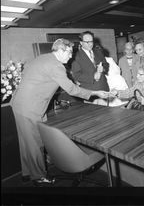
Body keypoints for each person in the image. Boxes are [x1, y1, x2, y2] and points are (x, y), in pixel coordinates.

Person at [11, 38, 111, 186]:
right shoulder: (56, 65)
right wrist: (96, 93)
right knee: (35, 143)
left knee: (26, 143)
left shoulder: (42, 58)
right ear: (61, 50)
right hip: (30, 107)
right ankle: (39, 177)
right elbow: (70, 89)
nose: (71, 56)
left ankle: (28, 173)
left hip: (19, 103)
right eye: (70, 52)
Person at [71, 31, 109, 104]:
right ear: (81, 43)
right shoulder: (75, 56)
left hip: (103, 89)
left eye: (91, 41)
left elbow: (106, 64)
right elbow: (77, 75)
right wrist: (93, 76)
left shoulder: (98, 51)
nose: (90, 44)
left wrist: (103, 69)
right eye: (87, 42)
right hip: (90, 93)